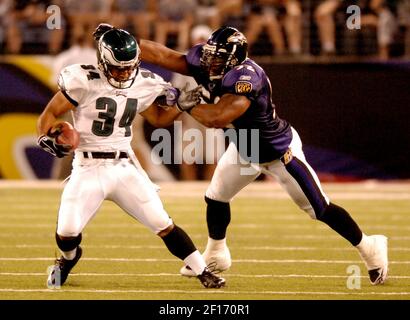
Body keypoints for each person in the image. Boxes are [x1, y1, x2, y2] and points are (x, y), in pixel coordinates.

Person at [139, 26, 389, 285]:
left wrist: (184, 101)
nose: (209, 61)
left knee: (319, 209)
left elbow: (217, 118)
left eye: (217, 57)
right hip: (244, 145)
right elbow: (161, 55)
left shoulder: (247, 77)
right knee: (216, 198)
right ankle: (216, 253)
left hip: (278, 152)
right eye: (209, 55)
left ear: (233, 59)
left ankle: (370, 246)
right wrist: (120, 42)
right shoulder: (209, 59)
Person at [36, 24, 225, 289]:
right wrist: (46, 136)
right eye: (118, 67)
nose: (124, 72)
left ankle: (202, 270)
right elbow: (49, 113)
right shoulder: (83, 80)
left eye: (129, 66)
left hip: (124, 165)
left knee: (162, 221)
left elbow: (159, 119)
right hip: (87, 165)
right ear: (102, 61)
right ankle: (69, 258)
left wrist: (182, 105)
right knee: (67, 231)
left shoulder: (143, 82)